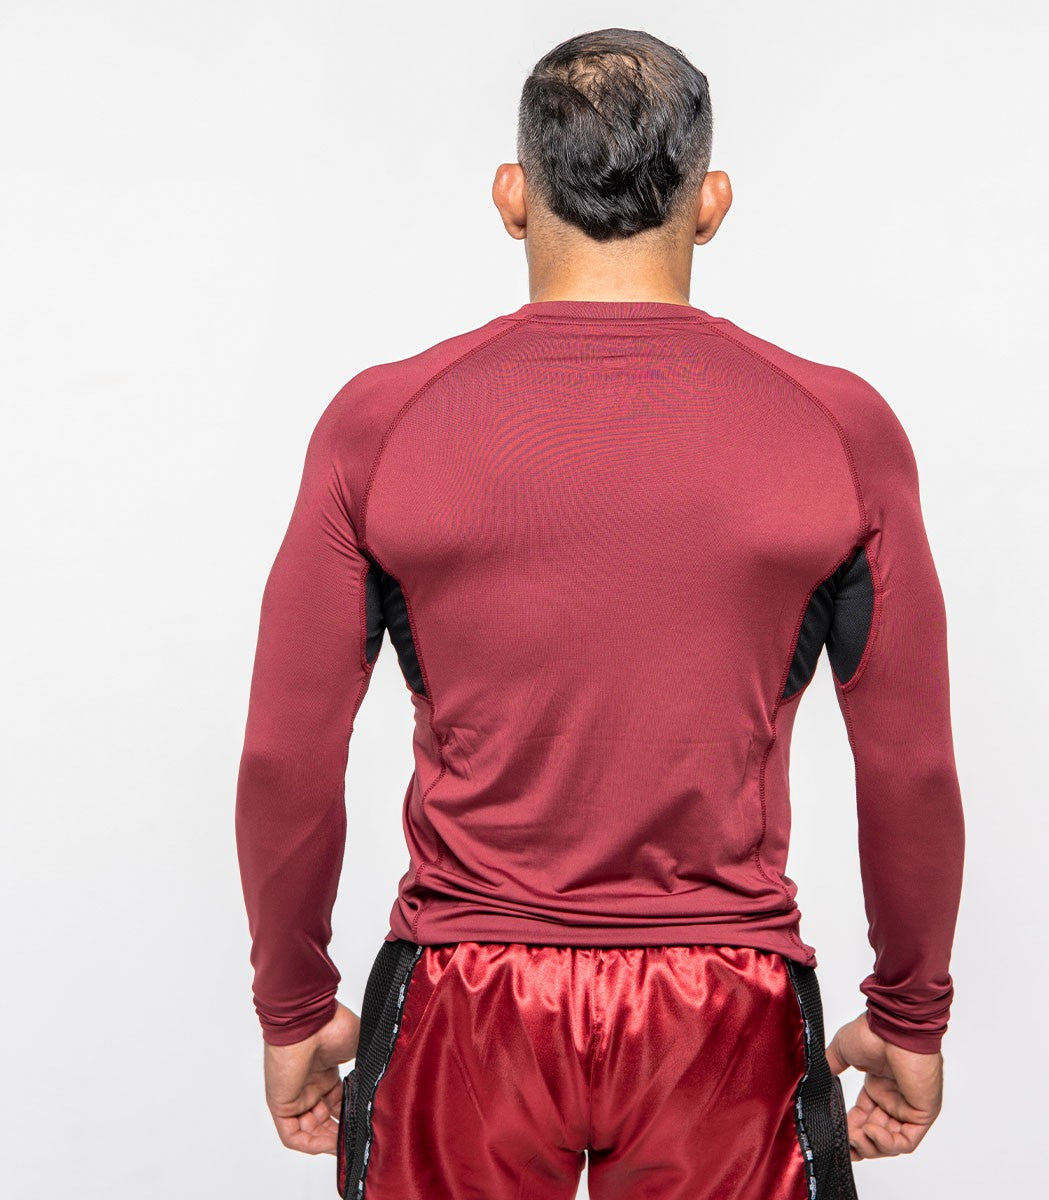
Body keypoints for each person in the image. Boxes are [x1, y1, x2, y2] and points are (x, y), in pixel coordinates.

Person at [235, 26, 965, 1200]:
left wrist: (292, 1005)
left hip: (465, 1001)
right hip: (720, 1009)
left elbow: (286, 755)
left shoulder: (382, 423)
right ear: (711, 203)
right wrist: (910, 1015)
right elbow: (912, 767)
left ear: (513, 196)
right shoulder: (839, 429)